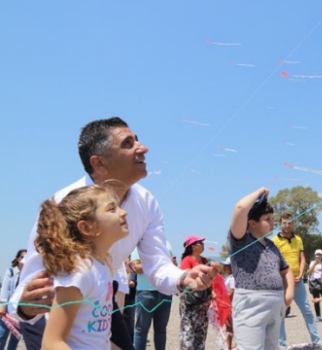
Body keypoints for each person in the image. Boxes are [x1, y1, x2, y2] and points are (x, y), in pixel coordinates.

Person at [10, 117, 220, 350]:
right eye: (128, 143)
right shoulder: (61, 207)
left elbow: (157, 264)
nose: (143, 148)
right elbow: (29, 286)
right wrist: (25, 307)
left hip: (100, 307)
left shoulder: (146, 202)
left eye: (137, 140)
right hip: (50, 313)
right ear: (99, 163)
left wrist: (183, 278)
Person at [34, 185, 128, 349]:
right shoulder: (79, 270)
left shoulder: (101, 267)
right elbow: (51, 342)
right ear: (86, 227)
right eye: (111, 209)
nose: (123, 212)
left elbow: (97, 338)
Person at [229, 188, 294, 350]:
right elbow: (240, 208)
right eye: (267, 219)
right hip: (251, 305)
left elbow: (286, 271)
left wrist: (288, 295)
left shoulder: (272, 246)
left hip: (275, 305)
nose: (272, 222)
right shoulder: (241, 241)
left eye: (272, 218)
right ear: (252, 223)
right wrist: (259, 193)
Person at [273, 213, 322, 349]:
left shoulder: (298, 239)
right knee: (281, 312)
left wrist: (301, 274)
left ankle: (317, 340)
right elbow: (274, 261)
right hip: (283, 281)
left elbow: (302, 259)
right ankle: (281, 344)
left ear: (293, 223)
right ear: (279, 224)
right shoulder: (275, 241)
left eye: (289, 222)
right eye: (284, 223)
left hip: (298, 281)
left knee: (307, 310)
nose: (287, 225)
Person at [130, 241, 175, 350]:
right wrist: (159, 264)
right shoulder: (140, 245)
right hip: (146, 292)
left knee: (161, 329)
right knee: (141, 329)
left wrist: (172, 264)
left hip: (165, 292)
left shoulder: (167, 244)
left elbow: (173, 265)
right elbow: (135, 268)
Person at [0, 250, 26, 350]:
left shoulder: (27, 275)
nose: (24, 259)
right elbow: (5, 290)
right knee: (2, 335)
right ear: (17, 259)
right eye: (22, 257)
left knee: (15, 338)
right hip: (6, 311)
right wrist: (3, 306)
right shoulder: (11, 272)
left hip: (18, 312)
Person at [221, 258, 235, 350]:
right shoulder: (227, 277)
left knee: (230, 326)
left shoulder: (233, 278)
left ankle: (228, 346)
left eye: (226, 265)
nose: (224, 267)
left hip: (230, 305)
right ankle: (228, 345)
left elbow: (232, 292)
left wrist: (224, 300)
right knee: (228, 326)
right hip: (226, 305)